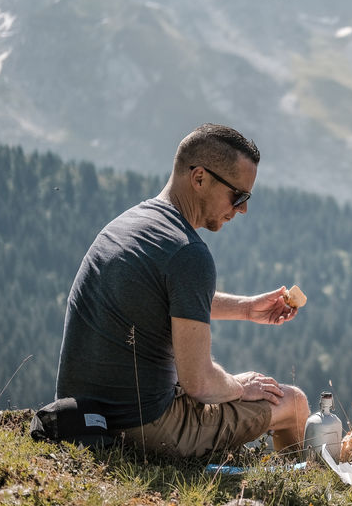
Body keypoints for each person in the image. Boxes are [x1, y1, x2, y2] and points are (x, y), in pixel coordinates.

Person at [56, 123, 309, 458]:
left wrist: (247, 308)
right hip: (144, 429)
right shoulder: (189, 253)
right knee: (292, 402)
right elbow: (200, 383)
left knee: (233, 387)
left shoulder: (127, 226)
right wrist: (239, 387)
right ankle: (303, 485)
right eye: (239, 195)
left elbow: (163, 296)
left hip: (81, 419)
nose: (243, 208)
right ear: (200, 178)